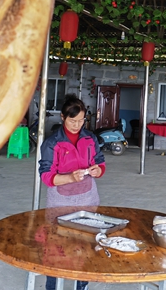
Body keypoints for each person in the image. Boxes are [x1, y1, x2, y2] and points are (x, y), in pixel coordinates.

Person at [39, 94, 105, 290]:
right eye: (72, 121)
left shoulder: (90, 138)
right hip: (61, 201)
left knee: (85, 243)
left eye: (81, 120)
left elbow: (100, 161)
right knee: (55, 245)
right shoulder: (52, 143)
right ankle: (52, 285)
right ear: (62, 117)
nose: (77, 125)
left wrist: (98, 170)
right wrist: (69, 177)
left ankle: (81, 284)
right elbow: (46, 176)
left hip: (87, 197)